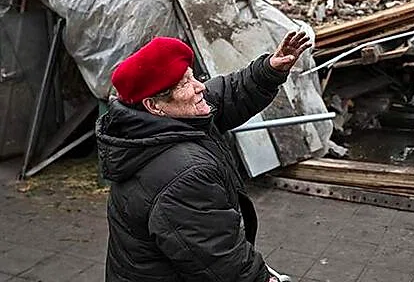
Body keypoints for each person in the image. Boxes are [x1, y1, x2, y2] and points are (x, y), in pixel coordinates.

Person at [96, 30, 311, 282]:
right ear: (154, 105)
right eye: (185, 84)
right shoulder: (184, 176)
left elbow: (225, 94)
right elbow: (220, 259)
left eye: (192, 76)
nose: (199, 87)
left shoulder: (152, 122)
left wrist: (268, 70)